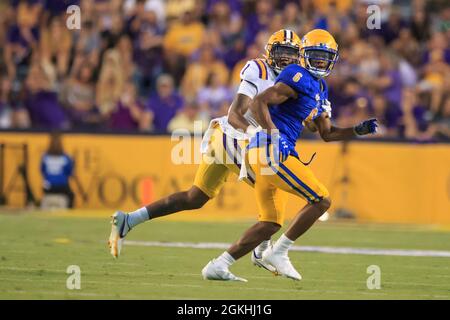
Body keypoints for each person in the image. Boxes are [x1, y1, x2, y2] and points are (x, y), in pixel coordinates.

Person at [108, 30, 303, 277]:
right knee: (273, 186)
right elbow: (235, 114)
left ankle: (128, 220)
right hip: (232, 136)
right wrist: (255, 134)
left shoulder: (296, 80)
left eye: (290, 54)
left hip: (234, 141)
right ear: (269, 53)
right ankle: (260, 251)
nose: (285, 60)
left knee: (195, 197)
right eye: (281, 53)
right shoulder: (258, 69)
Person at [202, 29, 378, 281]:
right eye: (315, 56)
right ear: (304, 55)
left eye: (324, 57)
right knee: (321, 200)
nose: (319, 62)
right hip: (268, 149)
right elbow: (258, 102)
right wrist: (274, 134)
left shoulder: (320, 87)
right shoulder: (297, 75)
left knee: (271, 223)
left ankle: (219, 265)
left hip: (273, 151)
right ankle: (279, 252)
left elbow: (327, 133)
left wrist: (357, 130)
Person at [40, 133, 75, 208]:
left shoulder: (45, 157)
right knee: (71, 196)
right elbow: (70, 173)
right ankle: (68, 214)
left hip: (48, 187)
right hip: (62, 186)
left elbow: (42, 171)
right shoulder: (66, 157)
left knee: (45, 187)